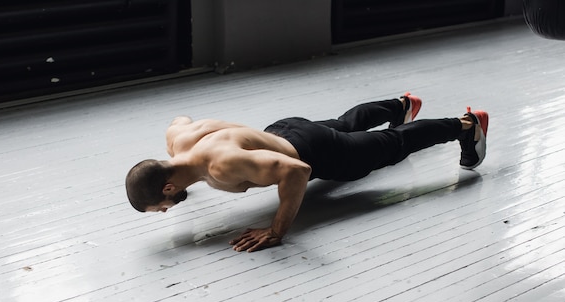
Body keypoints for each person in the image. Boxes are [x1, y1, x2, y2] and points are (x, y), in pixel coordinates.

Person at [125, 93, 489, 252]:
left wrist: (276, 230)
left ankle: (466, 125)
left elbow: (297, 171)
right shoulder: (178, 140)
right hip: (283, 129)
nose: (166, 211)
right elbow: (180, 117)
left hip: (314, 152)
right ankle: (401, 103)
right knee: (345, 124)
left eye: (162, 206)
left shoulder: (220, 165)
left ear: (169, 187)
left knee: (391, 146)